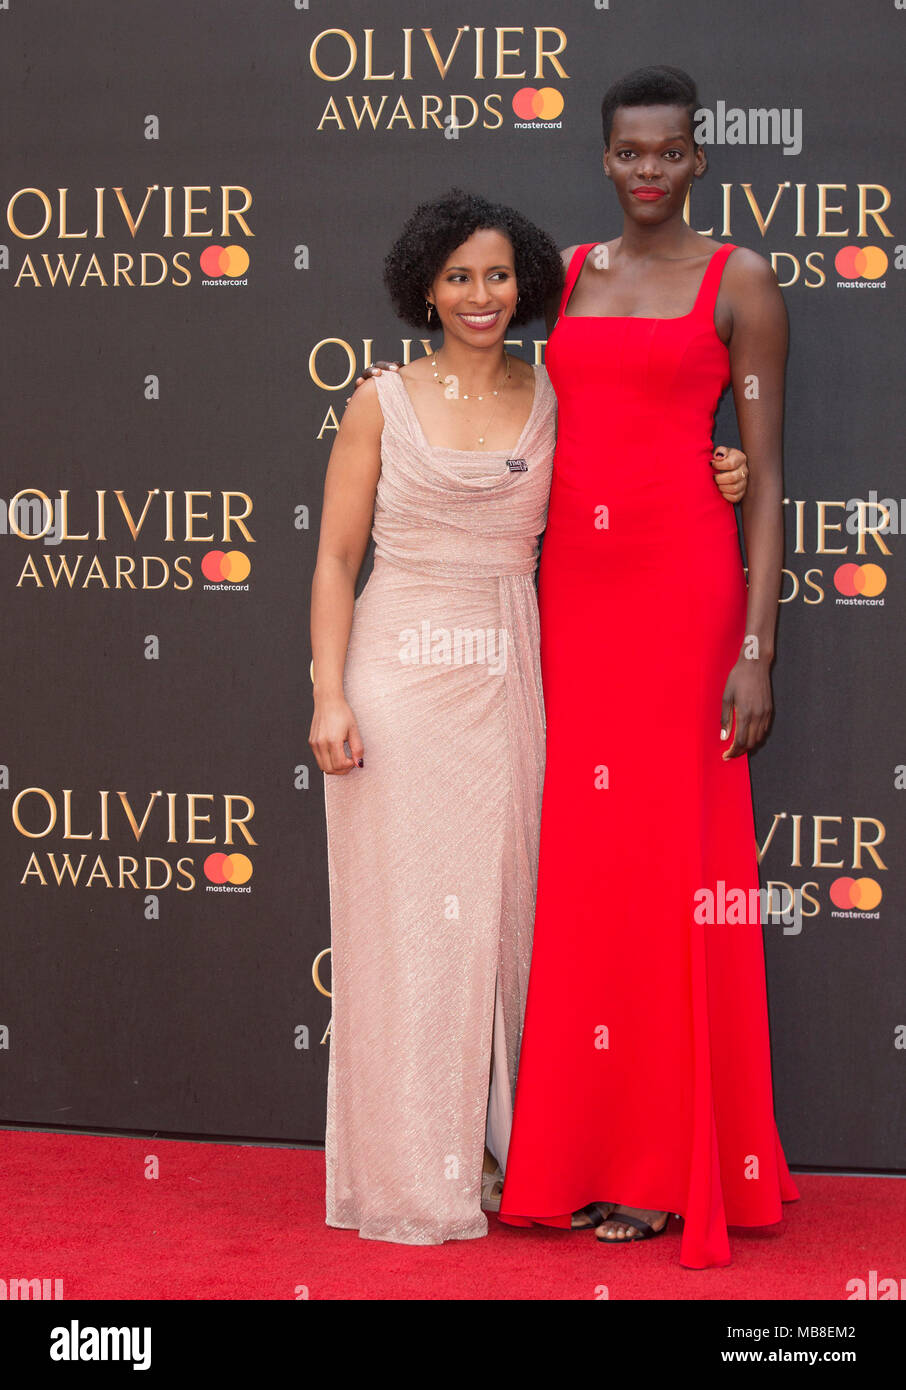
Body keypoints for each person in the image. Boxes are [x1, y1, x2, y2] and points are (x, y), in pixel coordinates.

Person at [314, 189, 748, 1245]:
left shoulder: (556, 386)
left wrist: (718, 467)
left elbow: (636, 453)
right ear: (425, 285)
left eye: (498, 276)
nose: (479, 294)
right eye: (459, 275)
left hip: (516, 668)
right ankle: (416, 1168)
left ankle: (513, 1146)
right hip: (401, 669)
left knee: (514, 923)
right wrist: (327, 690)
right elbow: (333, 555)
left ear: (528, 289)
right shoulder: (380, 399)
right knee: (409, 927)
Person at [497, 65, 799, 1268]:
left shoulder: (744, 282)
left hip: (683, 600)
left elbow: (767, 474)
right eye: (630, 153)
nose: (649, 172)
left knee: (676, 868)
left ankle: (679, 1166)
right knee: (587, 868)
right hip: (573, 595)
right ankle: (577, 1158)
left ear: (700, 160)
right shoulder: (568, 275)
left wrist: (757, 647)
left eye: (670, 153)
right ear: (605, 158)